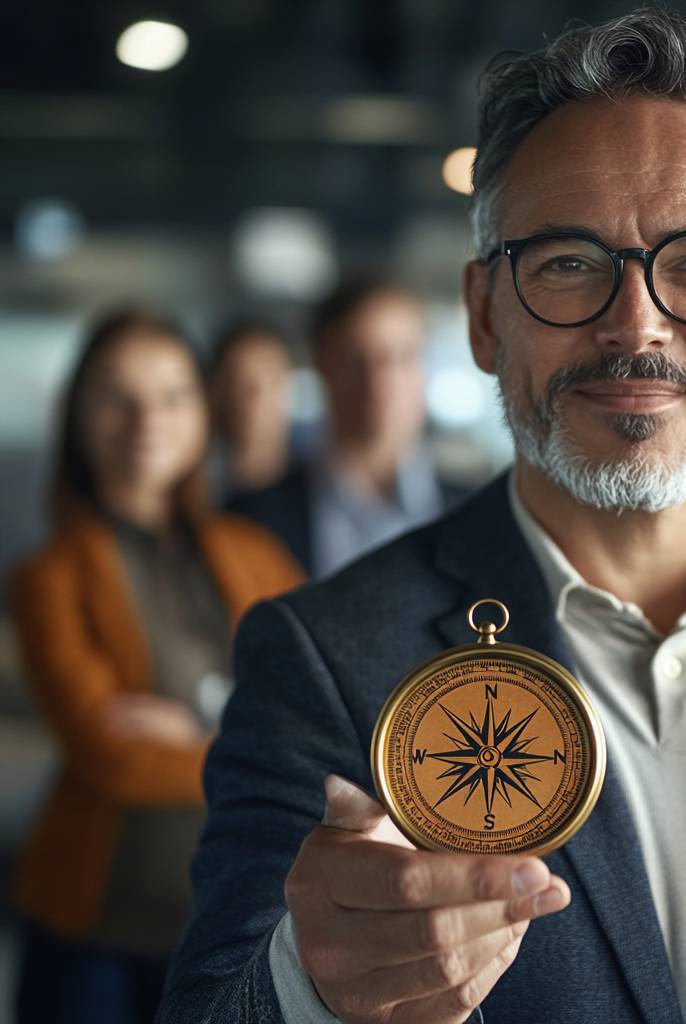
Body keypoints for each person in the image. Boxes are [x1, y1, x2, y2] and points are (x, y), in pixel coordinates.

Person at [160, 9, 686, 1024]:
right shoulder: (325, 659)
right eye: (568, 262)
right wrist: (313, 985)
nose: (636, 324)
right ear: (486, 316)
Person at [10, 308, 303, 1024]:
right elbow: (110, 754)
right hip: (96, 926)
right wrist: (246, 740)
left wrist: (189, 734)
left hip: (239, 922)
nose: (148, 418)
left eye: (172, 395)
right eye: (118, 396)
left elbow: (316, 718)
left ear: (203, 412)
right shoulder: (48, 576)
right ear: (77, 413)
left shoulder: (254, 554)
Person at [228, 274, 466, 577]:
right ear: (321, 365)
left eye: (401, 357)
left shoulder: (480, 513)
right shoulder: (252, 520)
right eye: (356, 358)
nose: (381, 380)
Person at [206, 318, 296, 501]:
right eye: (240, 382)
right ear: (216, 390)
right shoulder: (196, 491)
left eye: (271, 380)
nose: (257, 398)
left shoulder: (321, 485)